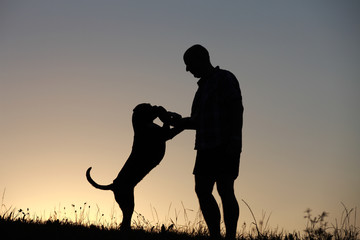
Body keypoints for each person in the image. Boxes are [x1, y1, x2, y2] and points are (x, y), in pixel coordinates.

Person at [175, 44, 243, 240]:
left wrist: (235, 141)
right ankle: (215, 236)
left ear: (201, 59)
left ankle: (230, 236)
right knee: (202, 191)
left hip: (225, 144)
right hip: (205, 147)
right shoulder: (202, 88)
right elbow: (197, 121)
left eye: (189, 64)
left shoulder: (225, 78)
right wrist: (178, 122)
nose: (187, 69)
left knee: (225, 190)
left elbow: (236, 109)